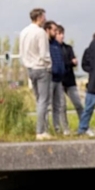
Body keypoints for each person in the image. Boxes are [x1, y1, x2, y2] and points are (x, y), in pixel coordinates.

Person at [19, 8, 53, 140]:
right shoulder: (40, 33)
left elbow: (21, 52)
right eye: (44, 16)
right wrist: (49, 65)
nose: (45, 19)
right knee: (43, 101)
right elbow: (44, 53)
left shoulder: (24, 32)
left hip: (30, 68)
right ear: (39, 17)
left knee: (38, 99)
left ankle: (41, 128)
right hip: (41, 68)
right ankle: (41, 130)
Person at [56, 25, 84, 133]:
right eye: (59, 34)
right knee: (62, 106)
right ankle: (65, 129)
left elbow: (74, 61)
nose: (62, 36)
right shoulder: (54, 49)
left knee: (78, 104)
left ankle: (83, 126)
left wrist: (72, 63)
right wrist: (70, 63)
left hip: (70, 80)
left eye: (62, 33)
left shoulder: (68, 48)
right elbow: (61, 63)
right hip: (59, 81)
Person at [45, 21, 67, 134]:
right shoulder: (45, 43)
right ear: (48, 30)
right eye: (54, 30)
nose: (56, 32)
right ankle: (46, 129)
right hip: (50, 78)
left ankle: (57, 128)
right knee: (48, 105)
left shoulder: (56, 44)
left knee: (59, 105)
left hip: (59, 79)